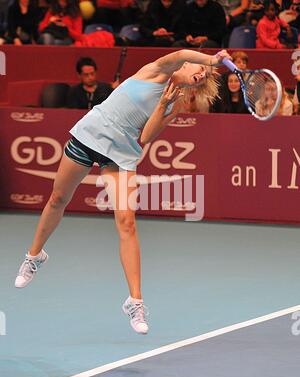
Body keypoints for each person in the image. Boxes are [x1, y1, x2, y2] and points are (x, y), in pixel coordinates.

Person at [15, 48, 231, 335]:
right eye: (200, 69)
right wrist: (213, 60)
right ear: (189, 64)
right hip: (91, 134)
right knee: (58, 198)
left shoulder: (175, 100)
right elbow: (179, 53)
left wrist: (163, 105)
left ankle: (135, 302)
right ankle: (34, 256)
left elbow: (146, 136)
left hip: (121, 154)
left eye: (203, 77)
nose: (201, 74)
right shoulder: (156, 70)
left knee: (127, 223)